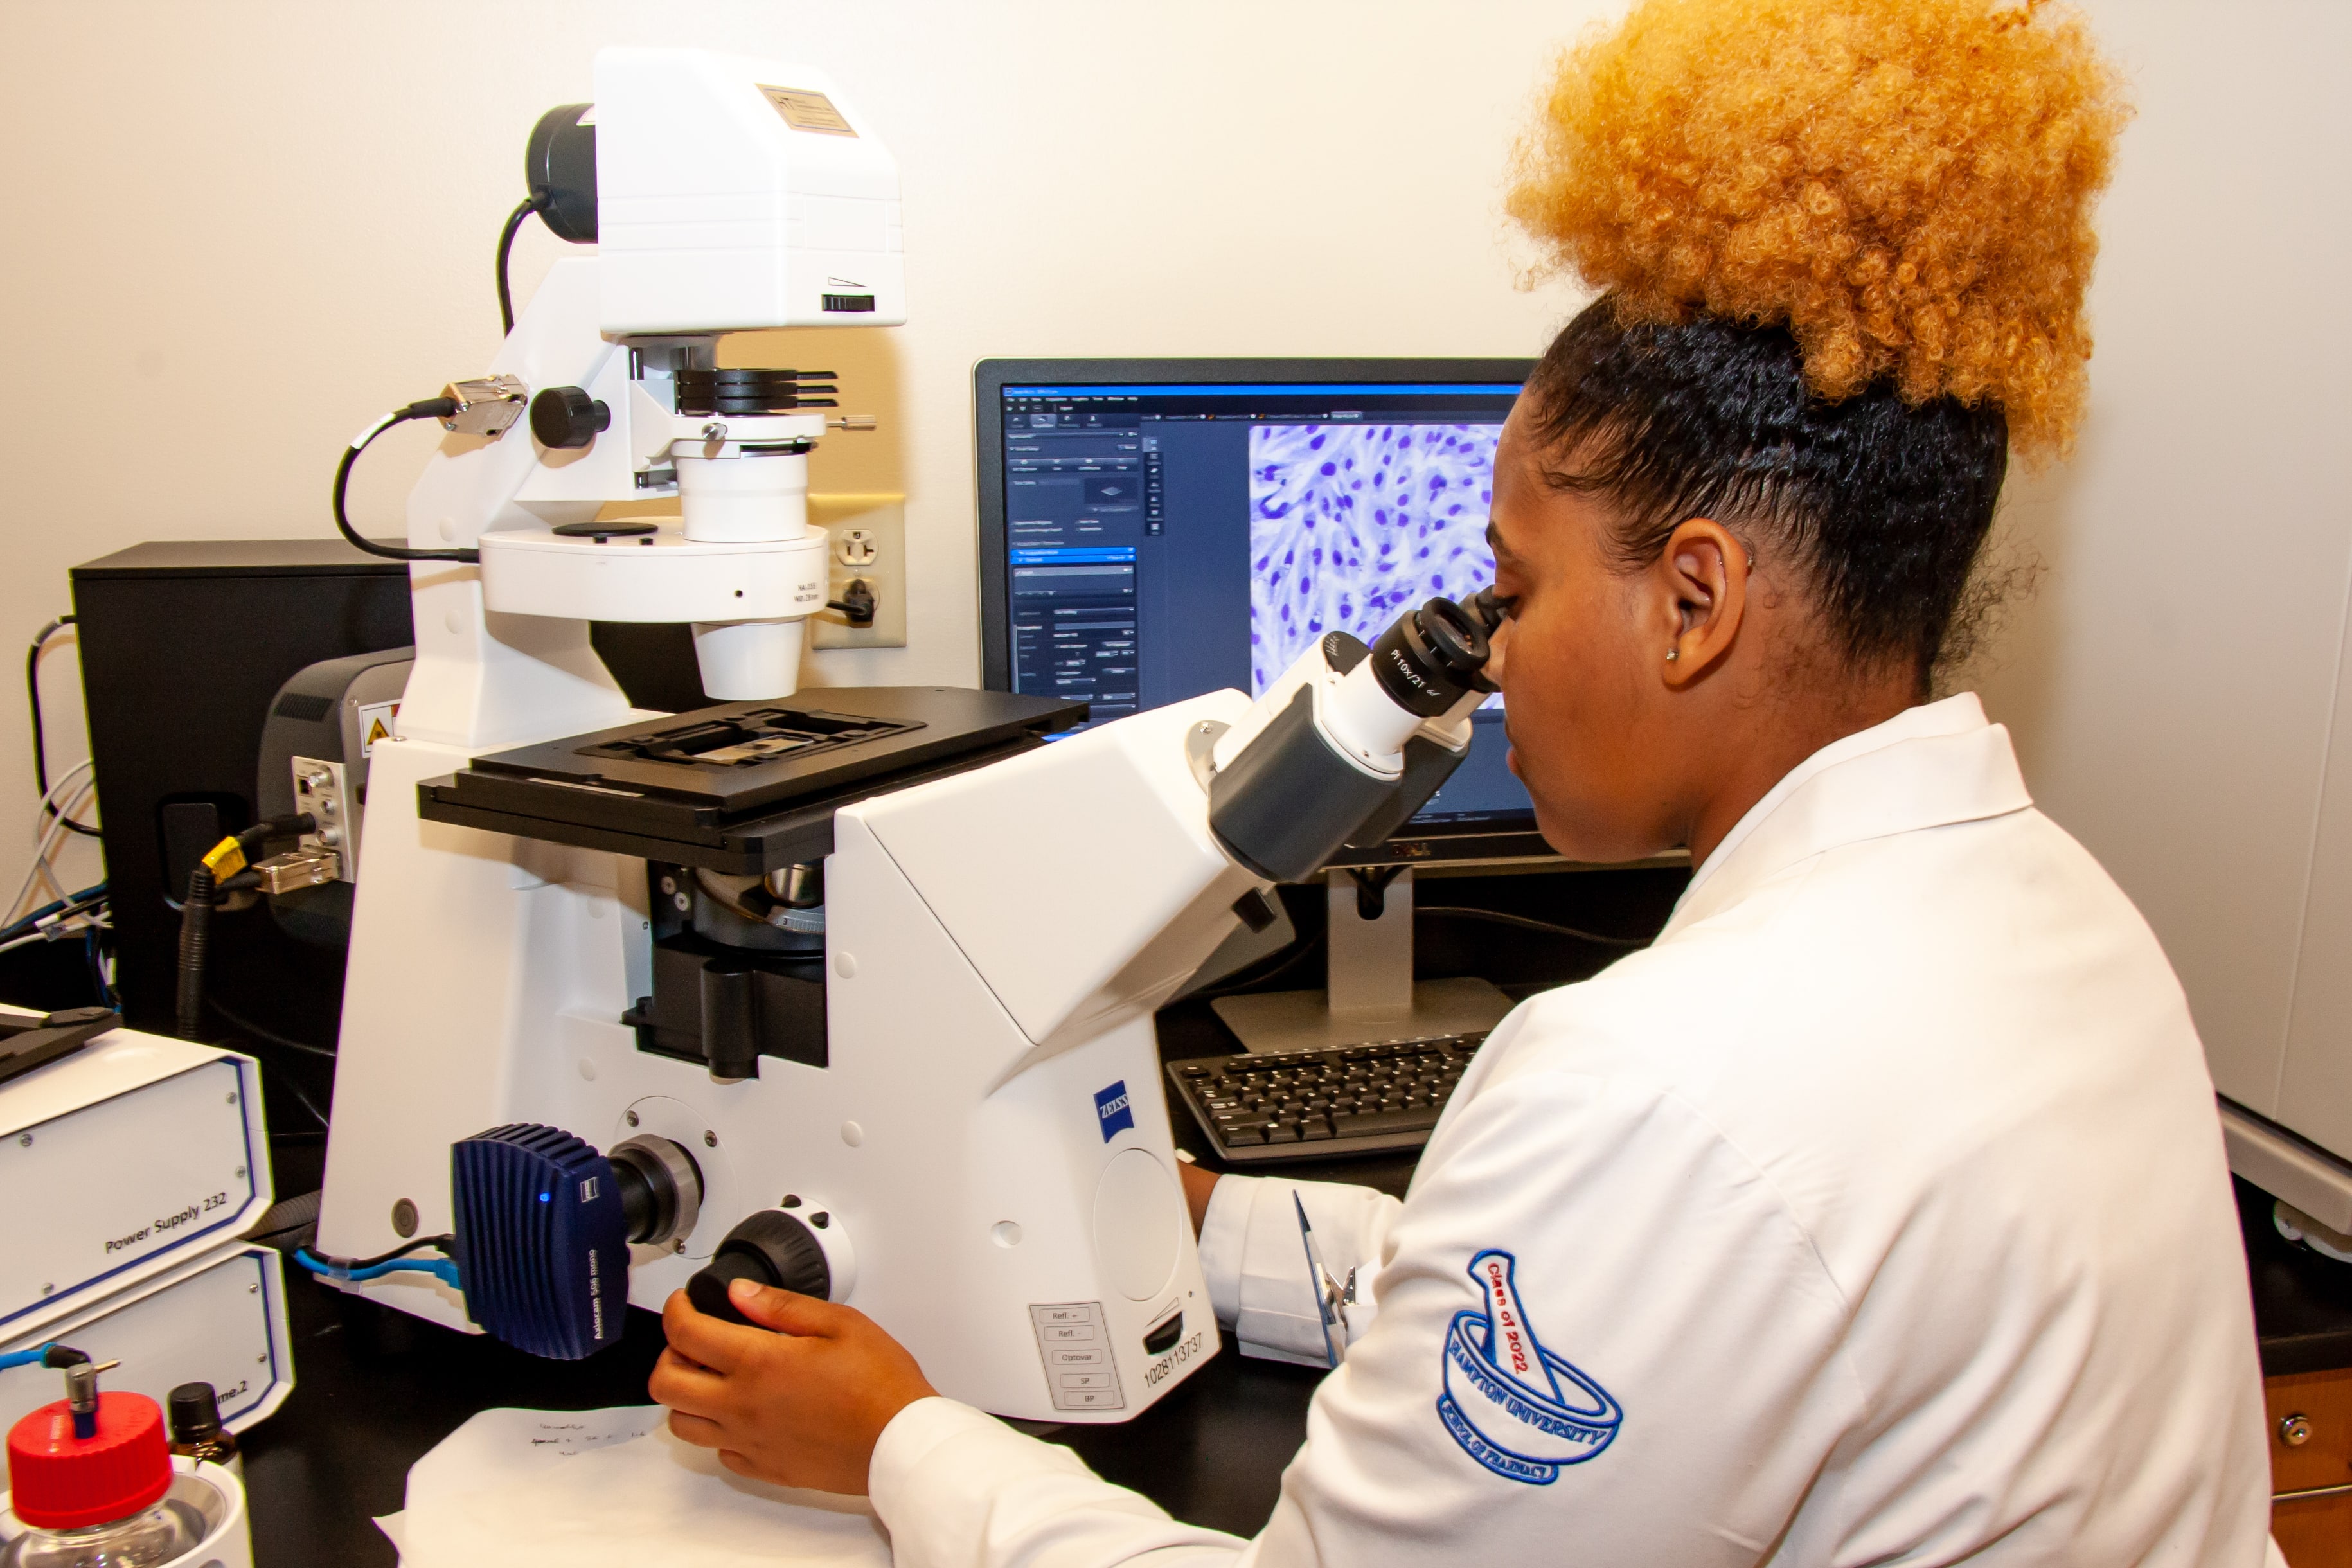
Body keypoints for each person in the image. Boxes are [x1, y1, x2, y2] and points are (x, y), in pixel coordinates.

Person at [651, 1, 2279, 1560]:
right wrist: (1192, 1214)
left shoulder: (1659, 1084)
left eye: (1516, 585)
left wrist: (897, 1443)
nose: (1489, 655)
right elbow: (1610, 1309)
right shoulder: (2065, 918)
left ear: (1694, 603)